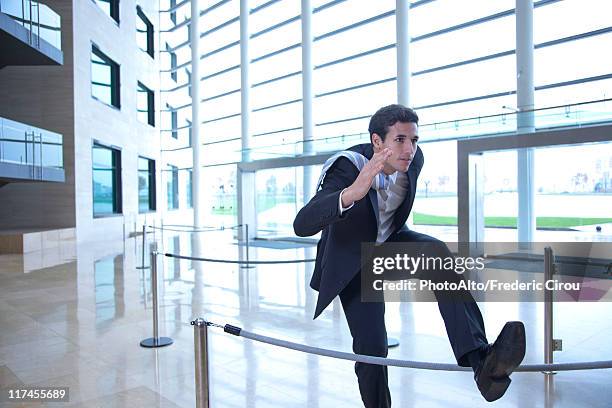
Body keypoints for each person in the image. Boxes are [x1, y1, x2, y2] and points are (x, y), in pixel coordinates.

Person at [293, 104, 526, 407]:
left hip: (387, 247)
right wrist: (353, 192)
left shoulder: (414, 162)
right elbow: (302, 224)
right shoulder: (347, 166)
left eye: (414, 140)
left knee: (435, 252)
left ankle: (481, 362)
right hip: (354, 262)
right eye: (400, 140)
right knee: (372, 348)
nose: (410, 149)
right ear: (377, 142)